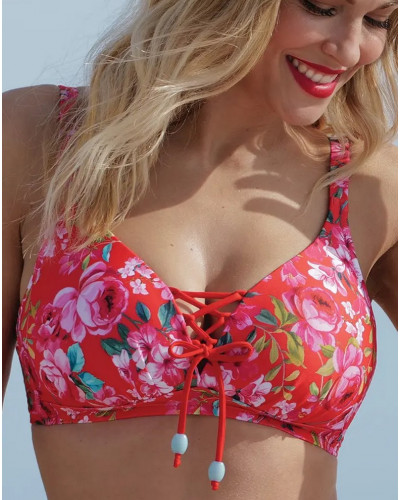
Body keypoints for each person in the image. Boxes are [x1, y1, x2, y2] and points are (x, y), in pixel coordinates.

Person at [3, 0, 398, 498]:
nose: (351, 49)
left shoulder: (371, 185)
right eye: (321, 6)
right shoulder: (39, 139)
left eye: (378, 19)